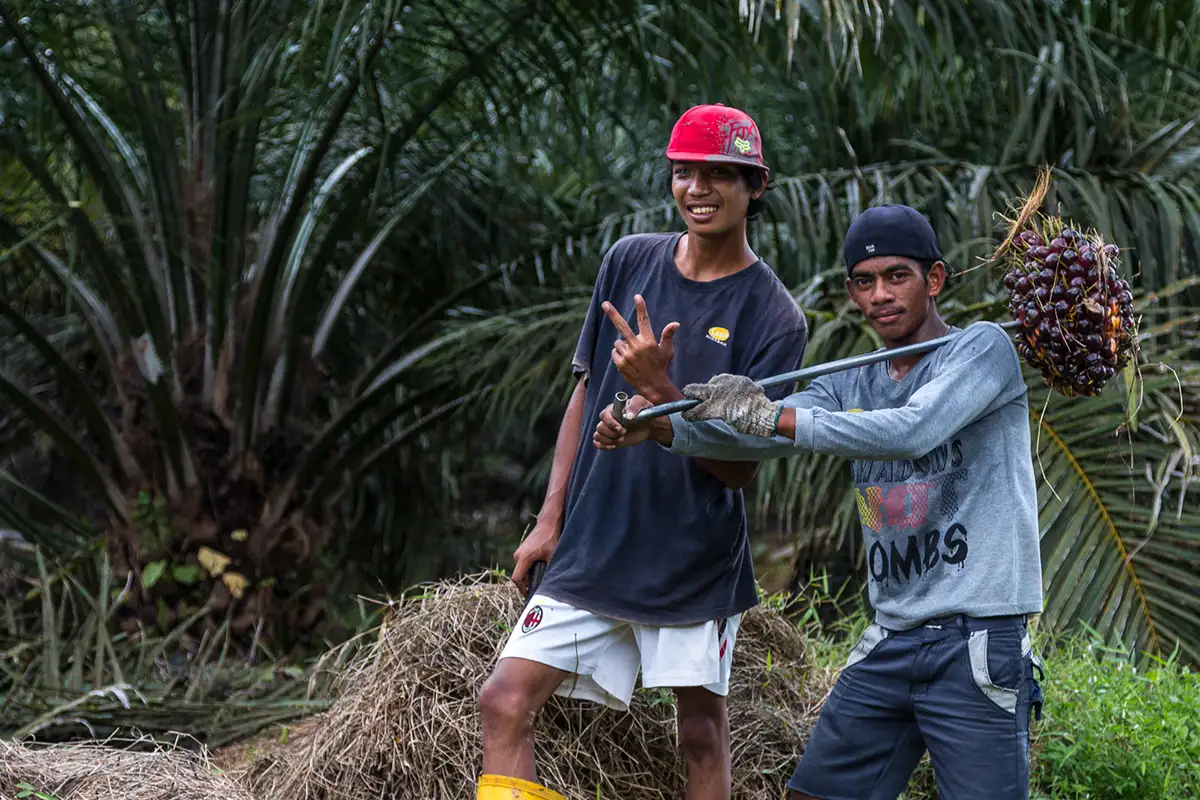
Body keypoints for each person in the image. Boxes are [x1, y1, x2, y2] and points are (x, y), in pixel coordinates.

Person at [594, 204, 1046, 800]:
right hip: (892, 637)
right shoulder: (847, 383)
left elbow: (910, 429)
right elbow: (761, 430)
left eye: (896, 276)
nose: (880, 295)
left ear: (934, 280)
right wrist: (660, 418)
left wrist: (768, 413)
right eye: (864, 282)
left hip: (976, 642)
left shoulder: (982, 351)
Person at [475, 104, 809, 800]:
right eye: (684, 171)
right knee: (504, 701)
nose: (698, 189)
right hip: (596, 543)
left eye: (720, 174)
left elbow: (740, 469)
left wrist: (662, 391)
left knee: (699, 737)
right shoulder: (628, 259)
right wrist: (549, 518)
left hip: (691, 556)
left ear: (756, 185)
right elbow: (585, 392)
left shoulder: (775, 316)